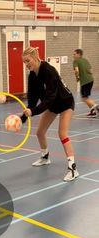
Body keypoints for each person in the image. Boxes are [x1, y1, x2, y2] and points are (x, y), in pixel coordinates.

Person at [20, 47, 79, 182]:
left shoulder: (49, 71)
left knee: (62, 133)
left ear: (35, 57)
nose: (26, 64)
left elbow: (50, 98)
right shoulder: (32, 76)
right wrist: (23, 118)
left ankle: (73, 168)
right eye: (24, 62)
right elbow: (32, 99)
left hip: (65, 103)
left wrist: (33, 111)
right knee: (40, 132)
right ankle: (45, 157)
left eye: (28, 61)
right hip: (52, 106)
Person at [73, 49, 99, 118]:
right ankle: (93, 111)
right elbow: (90, 70)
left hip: (85, 81)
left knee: (84, 98)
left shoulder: (76, 61)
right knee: (86, 97)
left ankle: (96, 107)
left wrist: (77, 78)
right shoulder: (85, 60)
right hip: (91, 80)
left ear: (79, 54)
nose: (73, 55)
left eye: (74, 54)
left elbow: (76, 70)